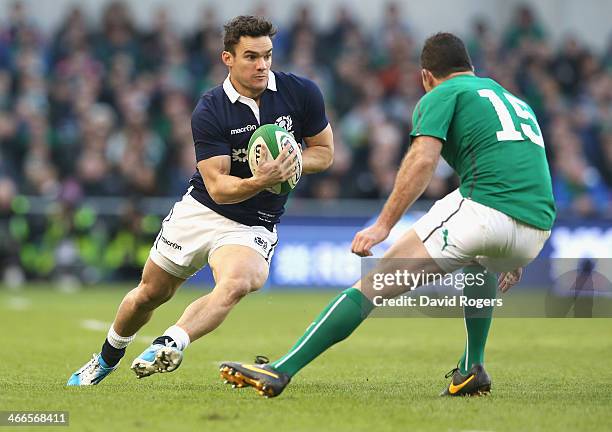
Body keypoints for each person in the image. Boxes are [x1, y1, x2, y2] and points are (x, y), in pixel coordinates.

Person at [219, 32, 556, 398]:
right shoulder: (513, 100)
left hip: (486, 211)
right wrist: (513, 247)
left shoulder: (443, 93)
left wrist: (383, 225)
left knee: (374, 283)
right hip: (536, 224)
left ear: (426, 76)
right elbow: (528, 167)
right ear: (470, 68)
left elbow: (422, 159)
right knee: (479, 262)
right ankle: (471, 368)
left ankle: (280, 371)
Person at [67, 15, 334, 386]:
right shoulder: (210, 109)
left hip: (254, 220)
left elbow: (325, 152)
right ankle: (106, 358)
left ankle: (171, 341)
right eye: (251, 57)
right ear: (228, 58)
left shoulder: (300, 92)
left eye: (268, 56)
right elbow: (220, 187)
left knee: (240, 281)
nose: (262, 65)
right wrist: (262, 178)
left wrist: (294, 161)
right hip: (203, 211)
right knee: (149, 294)